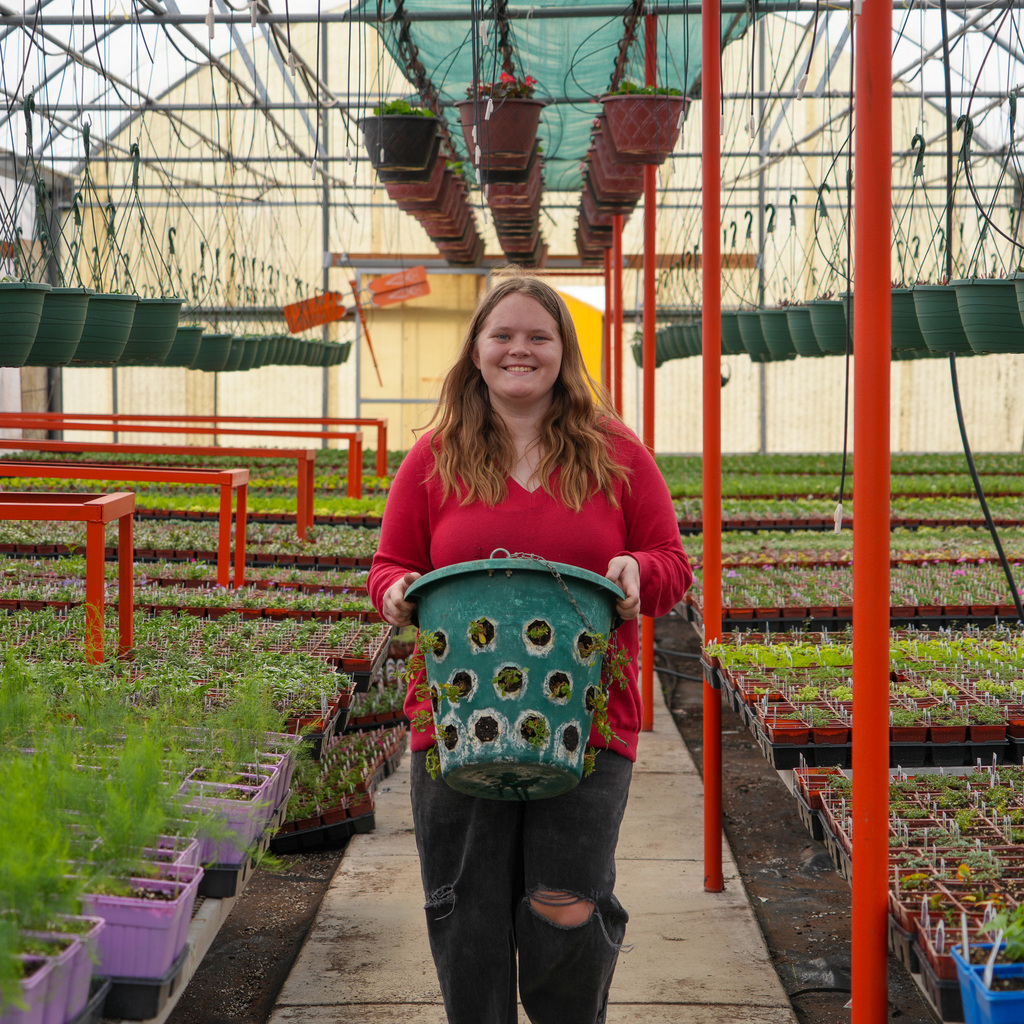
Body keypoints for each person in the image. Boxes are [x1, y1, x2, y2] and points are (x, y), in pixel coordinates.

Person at [367, 271, 691, 1024]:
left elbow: (672, 563)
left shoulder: (615, 455)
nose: (521, 350)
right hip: (455, 718)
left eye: (538, 337)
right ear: (476, 351)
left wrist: (638, 572)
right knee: (467, 906)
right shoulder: (434, 457)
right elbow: (388, 566)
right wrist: (393, 591)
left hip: (587, 719)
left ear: (562, 352)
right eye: (503, 335)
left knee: (565, 904)